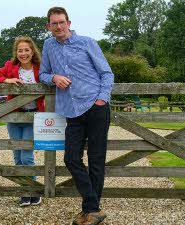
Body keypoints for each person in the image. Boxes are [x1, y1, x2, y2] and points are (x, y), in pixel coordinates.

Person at [39, 6, 114, 225]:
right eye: (54, 23)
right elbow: (43, 72)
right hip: (71, 110)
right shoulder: (48, 46)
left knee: (96, 160)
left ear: (69, 23)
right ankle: (93, 208)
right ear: (49, 26)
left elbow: (107, 73)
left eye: (62, 22)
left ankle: (89, 211)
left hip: (95, 107)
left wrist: (102, 99)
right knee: (71, 159)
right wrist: (54, 78)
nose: (59, 26)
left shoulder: (87, 43)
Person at [0, 36, 44, 207]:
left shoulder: (41, 68)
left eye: (27, 50)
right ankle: (24, 192)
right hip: (15, 117)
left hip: (33, 117)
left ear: (33, 51)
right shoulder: (10, 67)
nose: (23, 53)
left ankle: (34, 191)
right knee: (17, 156)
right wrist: (5, 80)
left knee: (26, 156)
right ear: (16, 53)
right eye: (20, 50)